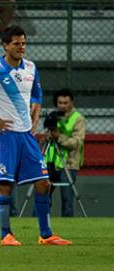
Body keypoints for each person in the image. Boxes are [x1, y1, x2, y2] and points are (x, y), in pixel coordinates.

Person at [0, 25, 72, 246]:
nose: (21, 47)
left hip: (26, 136)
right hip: (5, 136)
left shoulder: (31, 68)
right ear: (5, 45)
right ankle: (6, 235)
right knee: (5, 185)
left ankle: (45, 234)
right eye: (16, 43)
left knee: (43, 183)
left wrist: (36, 114)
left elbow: (37, 93)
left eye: (23, 43)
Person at [44, 88, 86, 217]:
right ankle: (41, 221)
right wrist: (48, 137)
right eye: (60, 103)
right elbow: (48, 136)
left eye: (65, 103)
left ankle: (68, 223)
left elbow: (77, 142)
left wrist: (59, 137)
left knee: (67, 198)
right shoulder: (54, 116)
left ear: (71, 102)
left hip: (68, 163)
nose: (62, 106)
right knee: (43, 194)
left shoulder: (78, 118)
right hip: (51, 162)